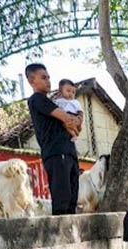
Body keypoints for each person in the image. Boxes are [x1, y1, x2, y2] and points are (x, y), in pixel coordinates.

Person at [25, 64, 82, 215]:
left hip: (69, 151)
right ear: (32, 80)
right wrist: (73, 120)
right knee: (62, 201)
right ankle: (61, 236)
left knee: (72, 201)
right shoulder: (37, 99)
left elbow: (76, 125)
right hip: (56, 153)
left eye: (49, 77)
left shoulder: (54, 102)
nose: (48, 81)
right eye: (43, 77)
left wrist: (75, 121)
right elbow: (66, 118)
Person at [54, 79, 84, 143]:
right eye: (68, 91)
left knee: (72, 124)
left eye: (73, 92)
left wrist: (80, 119)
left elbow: (80, 111)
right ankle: (73, 134)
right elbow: (55, 109)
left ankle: (75, 134)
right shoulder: (58, 101)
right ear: (60, 92)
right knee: (65, 124)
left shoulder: (75, 102)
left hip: (74, 115)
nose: (71, 94)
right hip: (64, 115)